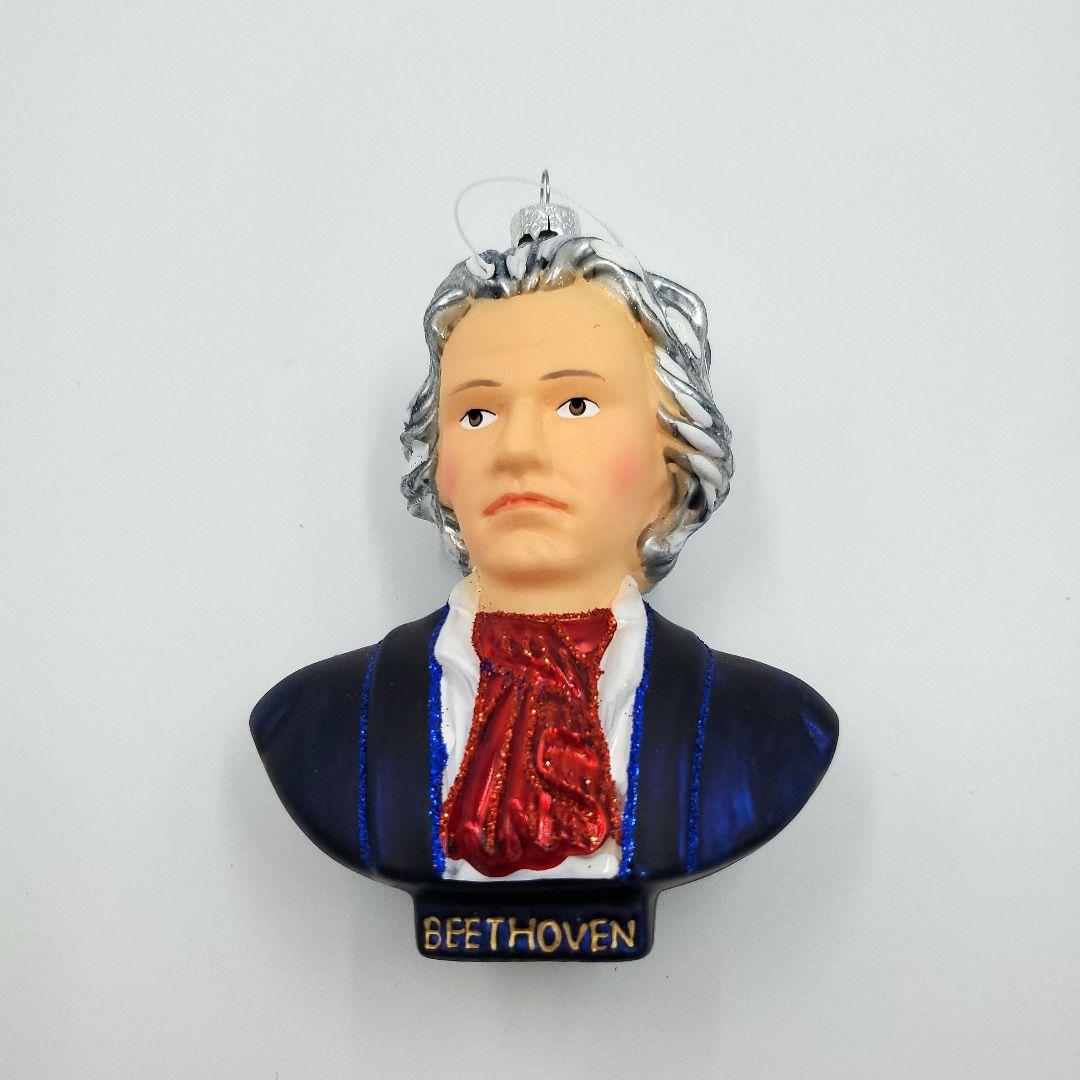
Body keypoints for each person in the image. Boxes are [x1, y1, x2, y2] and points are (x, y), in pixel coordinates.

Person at [251, 218, 838, 961]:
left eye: (575, 405)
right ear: (440, 467)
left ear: (674, 458)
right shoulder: (318, 721)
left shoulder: (769, 728)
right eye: (477, 414)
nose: (518, 450)